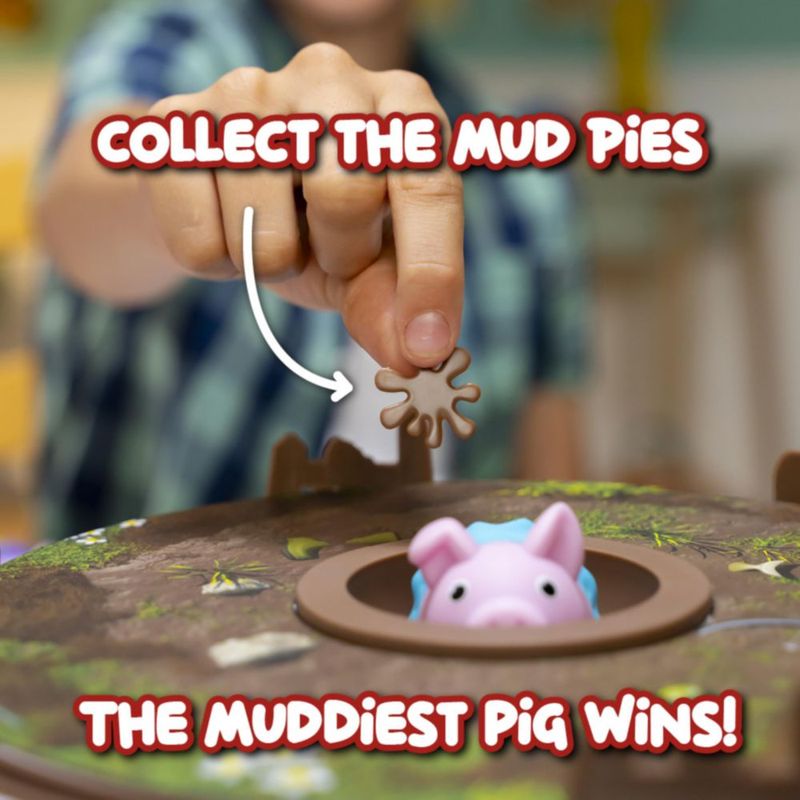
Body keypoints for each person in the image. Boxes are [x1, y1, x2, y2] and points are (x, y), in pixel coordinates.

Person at [36, 0, 588, 539]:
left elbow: (551, 499)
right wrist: (177, 181)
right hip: (147, 592)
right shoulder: (163, 44)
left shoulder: (525, 182)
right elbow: (83, 203)